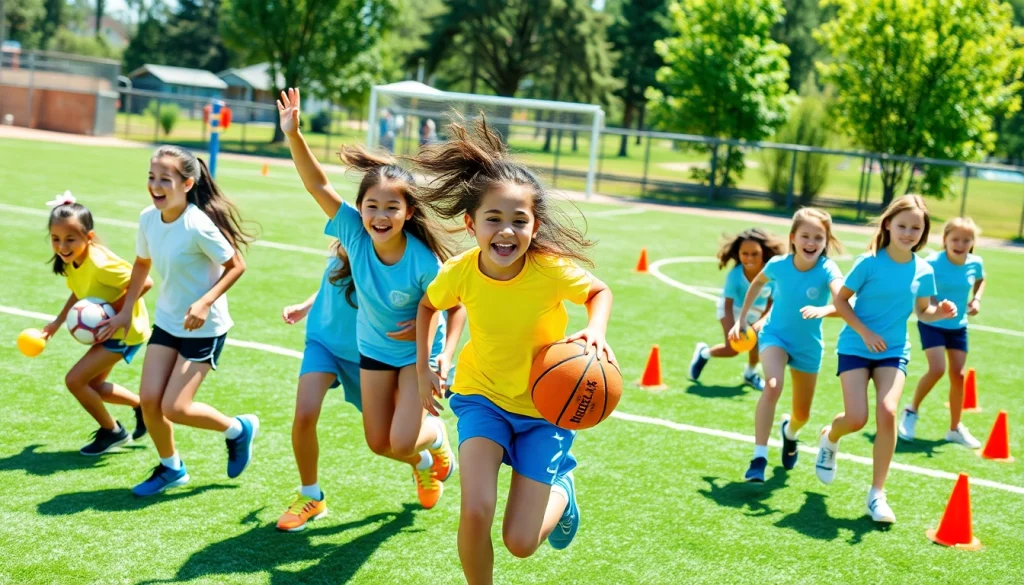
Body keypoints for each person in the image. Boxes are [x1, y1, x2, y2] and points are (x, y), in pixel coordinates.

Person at [414, 114, 615, 585]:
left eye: (519, 221)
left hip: (547, 409)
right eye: (494, 219)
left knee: (520, 544)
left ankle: (562, 490)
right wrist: (426, 366)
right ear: (471, 223)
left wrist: (597, 331)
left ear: (535, 225)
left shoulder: (548, 269)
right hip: (482, 398)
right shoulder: (461, 271)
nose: (506, 232)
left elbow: (599, 292)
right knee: (476, 508)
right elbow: (427, 307)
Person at [278, 88, 463, 510]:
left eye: (391, 208)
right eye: (371, 206)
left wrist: (443, 358)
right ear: (358, 209)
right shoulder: (354, 236)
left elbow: (455, 306)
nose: (380, 216)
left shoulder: (425, 262)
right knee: (380, 445)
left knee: (402, 437)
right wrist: (294, 134)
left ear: (409, 213)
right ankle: (420, 463)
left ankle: (436, 436)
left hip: (418, 357)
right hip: (374, 351)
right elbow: (317, 184)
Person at [99, 145, 259, 497]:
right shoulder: (147, 219)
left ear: (187, 184)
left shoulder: (197, 224)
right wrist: (125, 310)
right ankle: (172, 468)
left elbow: (236, 266)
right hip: (168, 321)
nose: (155, 185)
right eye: (152, 177)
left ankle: (237, 429)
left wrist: (204, 302)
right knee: (150, 400)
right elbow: (142, 263)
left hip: (206, 327)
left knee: (176, 406)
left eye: (165, 179)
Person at [815, 195, 956, 523]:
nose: (908, 232)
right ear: (888, 225)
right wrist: (865, 333)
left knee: (888, 411)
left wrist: (940, 312)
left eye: (916, 228)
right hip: (854, 346)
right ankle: (829, 437)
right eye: (902, 225)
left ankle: (877, 494)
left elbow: (923, 311)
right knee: (856, 419)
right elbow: (841, 300)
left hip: (893, 351)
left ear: (924, 232)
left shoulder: (924, 269)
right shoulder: (869, 262)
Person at [729, 209, 844, 482]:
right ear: (793, 238)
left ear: (826, 241)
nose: (811, 242)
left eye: (819, 237)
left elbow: (844, 303)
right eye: (805, 235)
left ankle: (790, 433)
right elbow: (757, 284)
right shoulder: (778, 265)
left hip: (808, 348)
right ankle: (759, 457)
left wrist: (826, 309)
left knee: (801, 415)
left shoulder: (828, 268)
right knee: (772, 385)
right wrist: (742, 319)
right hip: (775, 337)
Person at [43, 191, 152, 456]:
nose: (62, 246)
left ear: (88, 237)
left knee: (75, 381)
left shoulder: (101, 263)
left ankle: (113, 432)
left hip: (126, 330)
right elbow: (80, 291)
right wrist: (57, 323)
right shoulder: (71, 259)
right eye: (56, 239)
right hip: (110, 328)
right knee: (92, 386)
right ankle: (142, 407)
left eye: (70, 239)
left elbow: (144, 282)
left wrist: (119, 314)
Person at [899, 217, 986, 448]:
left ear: (972, 242)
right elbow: (921, 289)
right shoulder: (932, 263)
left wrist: (976, 299)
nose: (960, 244)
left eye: (966, 240)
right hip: (932, 323)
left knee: (958, 376)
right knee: (937, 369)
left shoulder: (975, 263)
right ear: (945, 239)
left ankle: (954, 428)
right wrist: (938, 305)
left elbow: (981, 279)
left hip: (958, 326)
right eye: (955, 239)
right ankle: (911, 411)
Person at [690, 228, 785, 391]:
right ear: (738, 253)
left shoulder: (772, 273)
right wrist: (734, 327)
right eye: (744, 253)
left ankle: (750, 374)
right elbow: (727, 305)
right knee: (732, 349)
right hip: (732, 310)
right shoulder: (735, 275)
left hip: (756, 312)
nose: (749, 258)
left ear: (763, 252)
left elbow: (772, 302)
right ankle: (704, 353)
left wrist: (761, 322)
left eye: (755, 253)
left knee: (757, 344)